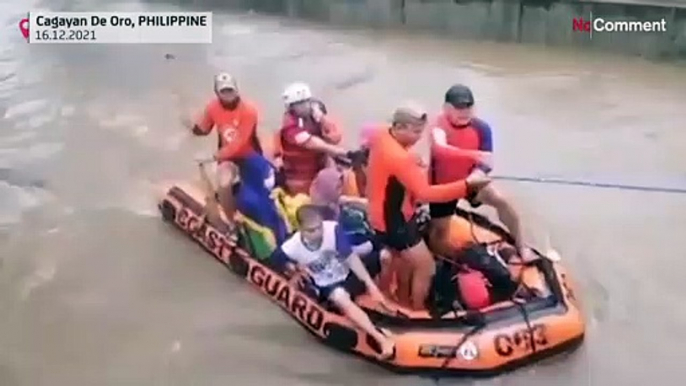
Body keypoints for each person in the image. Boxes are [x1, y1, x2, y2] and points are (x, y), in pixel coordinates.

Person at [366, 102, 492, 310]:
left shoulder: (382, 135)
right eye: (415, 132)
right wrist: (466, 186)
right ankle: (417, 309)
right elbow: (426, 193)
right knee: (427, 267)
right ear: (398, 127)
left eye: (421, 131)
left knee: (405, 262)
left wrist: (413, 158)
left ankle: (401, 297)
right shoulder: (400, 159)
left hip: (384, 212)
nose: (418, 137)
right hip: (394, 221)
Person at [272, 205, 396, 359]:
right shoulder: (292, 246)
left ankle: (383, 300)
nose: (317, 233)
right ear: (301, 229)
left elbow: (351, 258)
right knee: (339, 297)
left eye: (319, 228)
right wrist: (294, 270)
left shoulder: (332, 229)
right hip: (328, 283)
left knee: (384, 256)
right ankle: (380, 339)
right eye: (311, 230)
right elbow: (277, 258)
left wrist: (372, 287)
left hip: (347, 273)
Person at [428, 84, 534, 261]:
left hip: (472, 181)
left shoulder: (482, 128)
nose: (464, 112)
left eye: (468, 107)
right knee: (439, 232)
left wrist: (478, 173)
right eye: (459, 107)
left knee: (504, 202)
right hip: (444, 186)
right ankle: (439, 260)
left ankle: (522, 246)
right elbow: (440, 149)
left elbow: (487, 163)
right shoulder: (437, 125)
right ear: (446, 108)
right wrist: (474, 155)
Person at [183, 72, 263, 220]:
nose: (228, 95)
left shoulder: (249, 110)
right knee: (224, 184)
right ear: (217, 92)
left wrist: (213, 156)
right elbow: (204, 129)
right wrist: (191, 127)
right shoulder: (212, 107)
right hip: (228, 159)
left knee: (262, 192)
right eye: (223, 91)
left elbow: (240, 143)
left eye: (230, 90)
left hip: (250, 155)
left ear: (237, 90)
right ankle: (231, 222)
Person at [276, 82, 354, 195]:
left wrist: (322, 118)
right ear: (291, 107)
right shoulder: (290, 125)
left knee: (341, 178)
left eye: (307, 101)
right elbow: (312, 143)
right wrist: (342, 152)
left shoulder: (314, 117)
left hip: (320, 166)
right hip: (300, 177)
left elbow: (335, 137)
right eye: (299, 103)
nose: (305, 105)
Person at [233, 152, 288, 260]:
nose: (272, 177)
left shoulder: (264, 191)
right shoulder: (248, 200)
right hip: (267, 247)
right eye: (268, 174)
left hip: (278, 235)